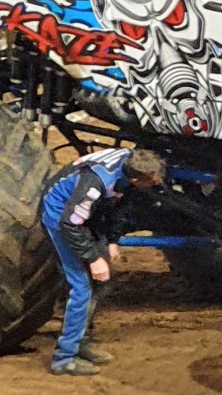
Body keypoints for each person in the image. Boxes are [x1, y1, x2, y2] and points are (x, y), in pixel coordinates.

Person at [39, 145, 167, 376]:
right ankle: (64, 358)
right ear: (136, 179)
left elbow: (119, 204)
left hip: (87, 216)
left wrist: (112, 240)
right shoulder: (95, 182)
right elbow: (70, 223)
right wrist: (93, 258)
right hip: (60, 218)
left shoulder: (128, 167)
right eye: (151, 181)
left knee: (101, 281)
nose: (157, 183)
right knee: (81, 287)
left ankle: (80, 341)